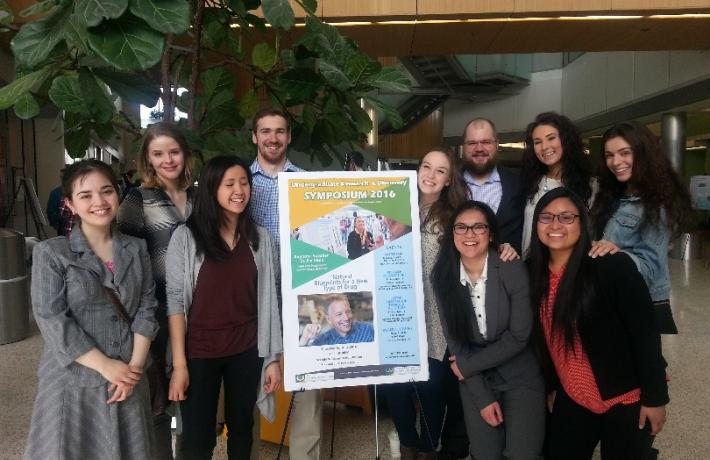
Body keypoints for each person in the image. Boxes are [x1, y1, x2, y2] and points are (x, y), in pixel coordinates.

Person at [25, 159, 159, 459]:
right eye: (86, 195)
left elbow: (147, 308)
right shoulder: (52, 253)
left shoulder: (136, 248)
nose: (99, 201)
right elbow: (51, 319)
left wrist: (133, 370)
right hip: (74, 382)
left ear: (118, 195)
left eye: (107, 191)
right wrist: (105, 366)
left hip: (129, 379)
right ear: (70, 204)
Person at [530, 187, 668, 459]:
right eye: (546, 217)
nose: (555, 225)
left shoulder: (610, 265)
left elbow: (645, 333)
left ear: (582, 222)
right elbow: (543, 340)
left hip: (624, 395)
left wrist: (655, 398)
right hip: (572, 394)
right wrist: (552, 386)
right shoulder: (532, 273)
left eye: (567, 217)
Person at [165, 156, 282, 460]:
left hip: (246, 349)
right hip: (199, 351)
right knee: (197, 439)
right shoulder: (187, 237)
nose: (239, 190)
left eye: (244, 182)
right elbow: (176, 300)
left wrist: (272, 358)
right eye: (229, 184)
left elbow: (270, 299)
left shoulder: (261, 239)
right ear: (211, 189)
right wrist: (179, 365)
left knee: (242, 430)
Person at [432, 201, 546, 460]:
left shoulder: (511, 268)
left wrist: (467, 366)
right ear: (452, 234)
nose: (469, 234)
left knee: (523, 455)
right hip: (477, 382)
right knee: (485, 455)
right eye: (461, 227)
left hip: (520, 376)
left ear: (491, 234)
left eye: (478, 227)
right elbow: (457, 345)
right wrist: (482, 397)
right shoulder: (443, 278)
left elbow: (519, 336)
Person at [383, 148, 468, 460]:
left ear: (448, 180)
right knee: (396, 385)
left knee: (431, 388)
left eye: (440, 171)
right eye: (426, 167)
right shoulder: (395, 207)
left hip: (436, 314)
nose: (430, 175)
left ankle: (428, 449)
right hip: (396, 311)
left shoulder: (454, 218)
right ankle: (407, 444)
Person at [247, 107, 322, 460]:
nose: (273, 138)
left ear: (289, 137)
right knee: (247, 385)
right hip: (253, 301)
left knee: (308, 387)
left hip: (301, 299)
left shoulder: (307, 184)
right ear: (255, 137)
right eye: (266, 131)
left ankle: (306, 456)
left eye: (280, 131)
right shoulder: (238, 183)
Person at [117, 122, 195, 459]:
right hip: (156, 312)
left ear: (185, 154)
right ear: (147, 160)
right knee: (159, 400)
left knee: (192, 395)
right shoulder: (138, 198)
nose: (168, 160)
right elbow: (125, 257)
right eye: (158, 154)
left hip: (199, 311)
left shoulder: (198, 194)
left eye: (174, 151)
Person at [589, 121, 691, 335]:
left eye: (625, 153)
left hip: (640, 304)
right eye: (609, 155)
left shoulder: (657, 202)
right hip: (609, 297)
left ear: (643, 153)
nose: (616, 162)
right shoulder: (614, 195)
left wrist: (616, 255)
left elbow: (652, 267)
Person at [520, 112, 594, 259]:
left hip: (573, 271)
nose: (544, 147)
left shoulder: (590, 185)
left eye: (551, 138)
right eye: (537, 142)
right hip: (531, 267)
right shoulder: (530, 182)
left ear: (566, 140)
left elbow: (592, 234)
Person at [460, 117, 523, 260]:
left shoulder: (519, 184)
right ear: (464, 146)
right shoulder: (449, 183)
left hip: (504, 274)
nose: (479, 148)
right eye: (472, 143)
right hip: (456, 275)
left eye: (486, 142)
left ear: (497, 144)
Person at [300, 294, 374, 346]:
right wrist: (304, 339)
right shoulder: (321, 341)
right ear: (329, 319)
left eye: (348, 312)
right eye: (339, 314)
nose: (346, 318)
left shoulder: (368, 330)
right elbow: (302, 362)